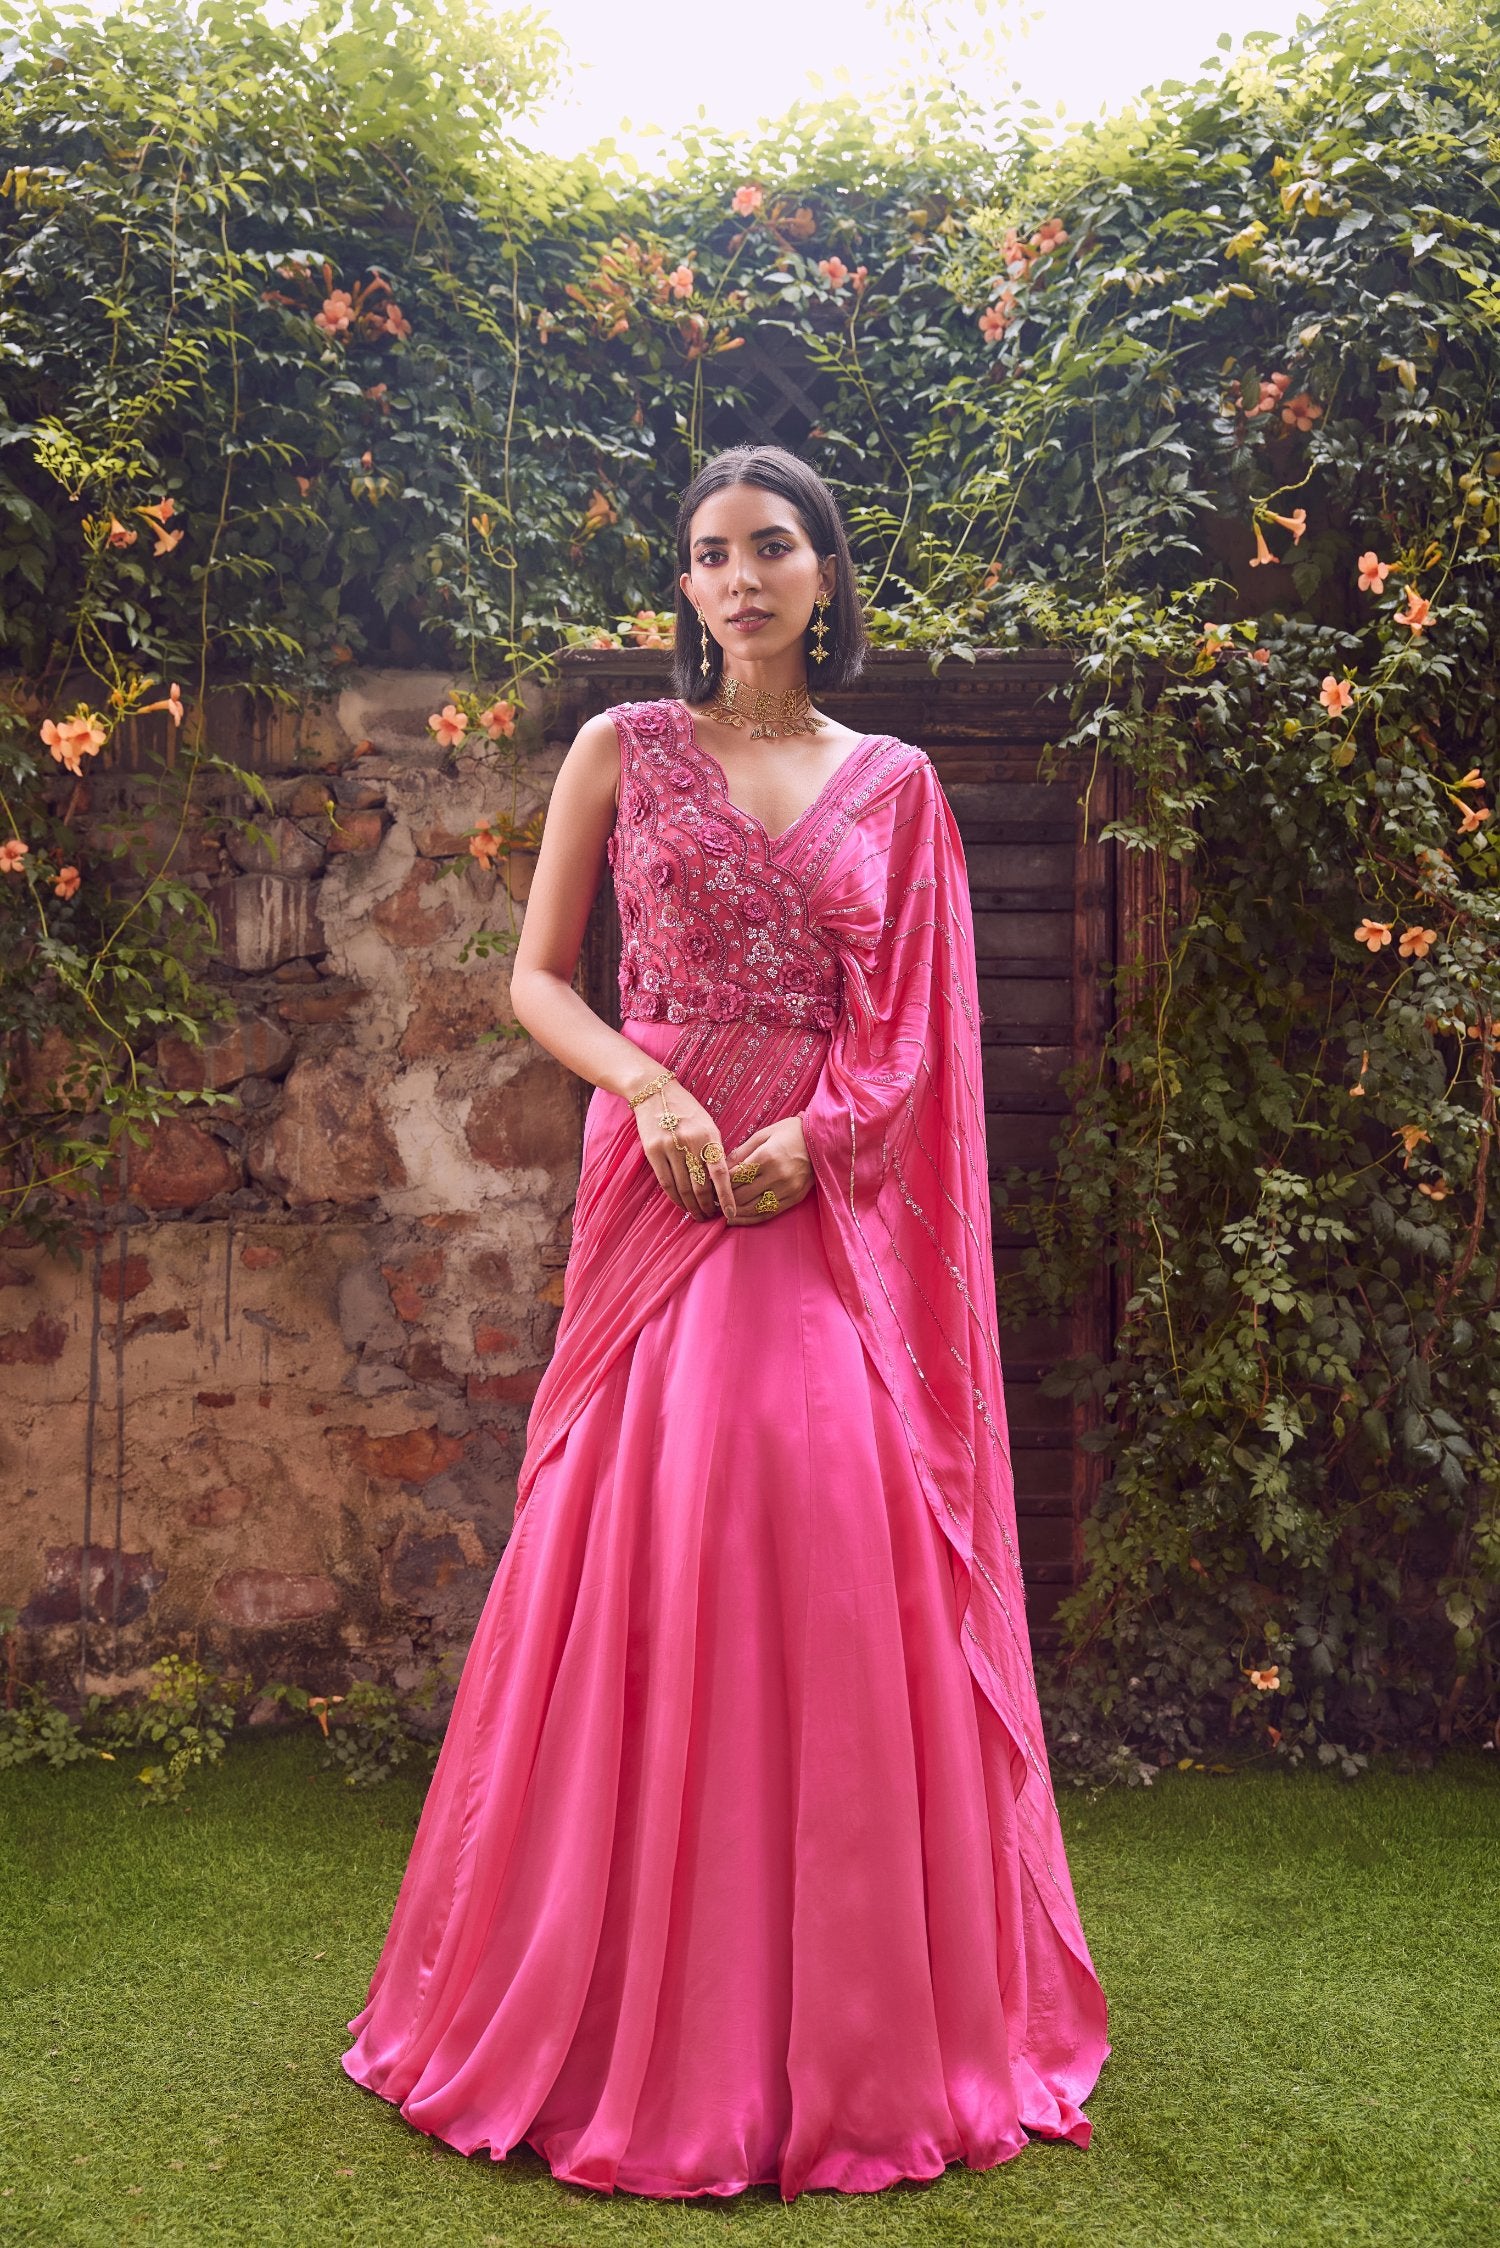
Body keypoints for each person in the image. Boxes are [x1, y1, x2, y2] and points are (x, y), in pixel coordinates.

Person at [340, 443, 1110, 2200]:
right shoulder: (626, 749)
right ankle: (607, 2009)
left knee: (832, 1512)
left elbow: (912, 1029)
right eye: (708, 553)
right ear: (684, 587)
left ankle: (849, 2026)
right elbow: (541, 976)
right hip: (660, 1191)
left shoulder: (897, 785)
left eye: (771, 547)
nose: (739, 576)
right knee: (640, 1534)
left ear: (825, 575)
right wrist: (655, 1093)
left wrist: (814, 1138)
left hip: (816, 1206)